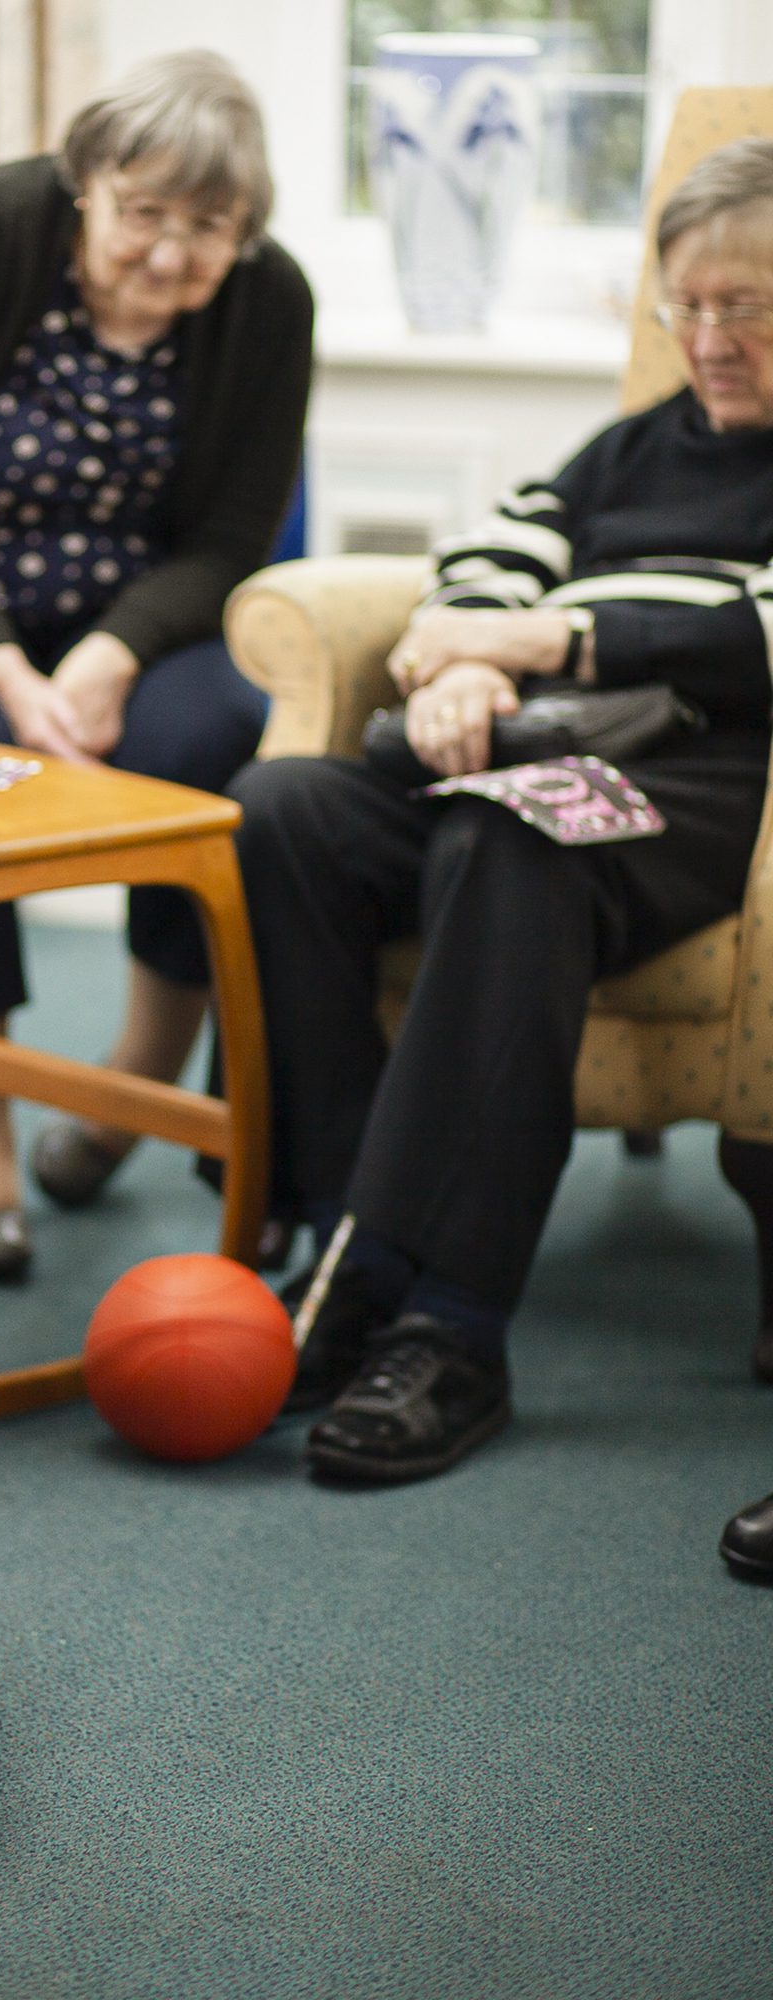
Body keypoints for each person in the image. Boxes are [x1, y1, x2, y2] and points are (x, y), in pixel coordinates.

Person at [228, 137, 773, 1485]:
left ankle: (452, 1326)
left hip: (709, 784)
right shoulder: (629, 452)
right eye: (686, 306)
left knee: (511, 830)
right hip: (534, 747)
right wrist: (472, 651)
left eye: (747, 305)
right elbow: (493, 555)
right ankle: (348, 1250)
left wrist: (558, 646)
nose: (709, 338)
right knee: (282, 807)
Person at [0, 50, 313, 1278]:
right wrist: (3, 669)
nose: (171, 254)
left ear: (247, 231)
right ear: (86, 184)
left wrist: (113, 650)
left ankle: (132, 1078)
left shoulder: (273, 300)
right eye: (143, 212)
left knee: (213, 745)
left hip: (140, 614)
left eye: (211, 227)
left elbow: (237, 538)